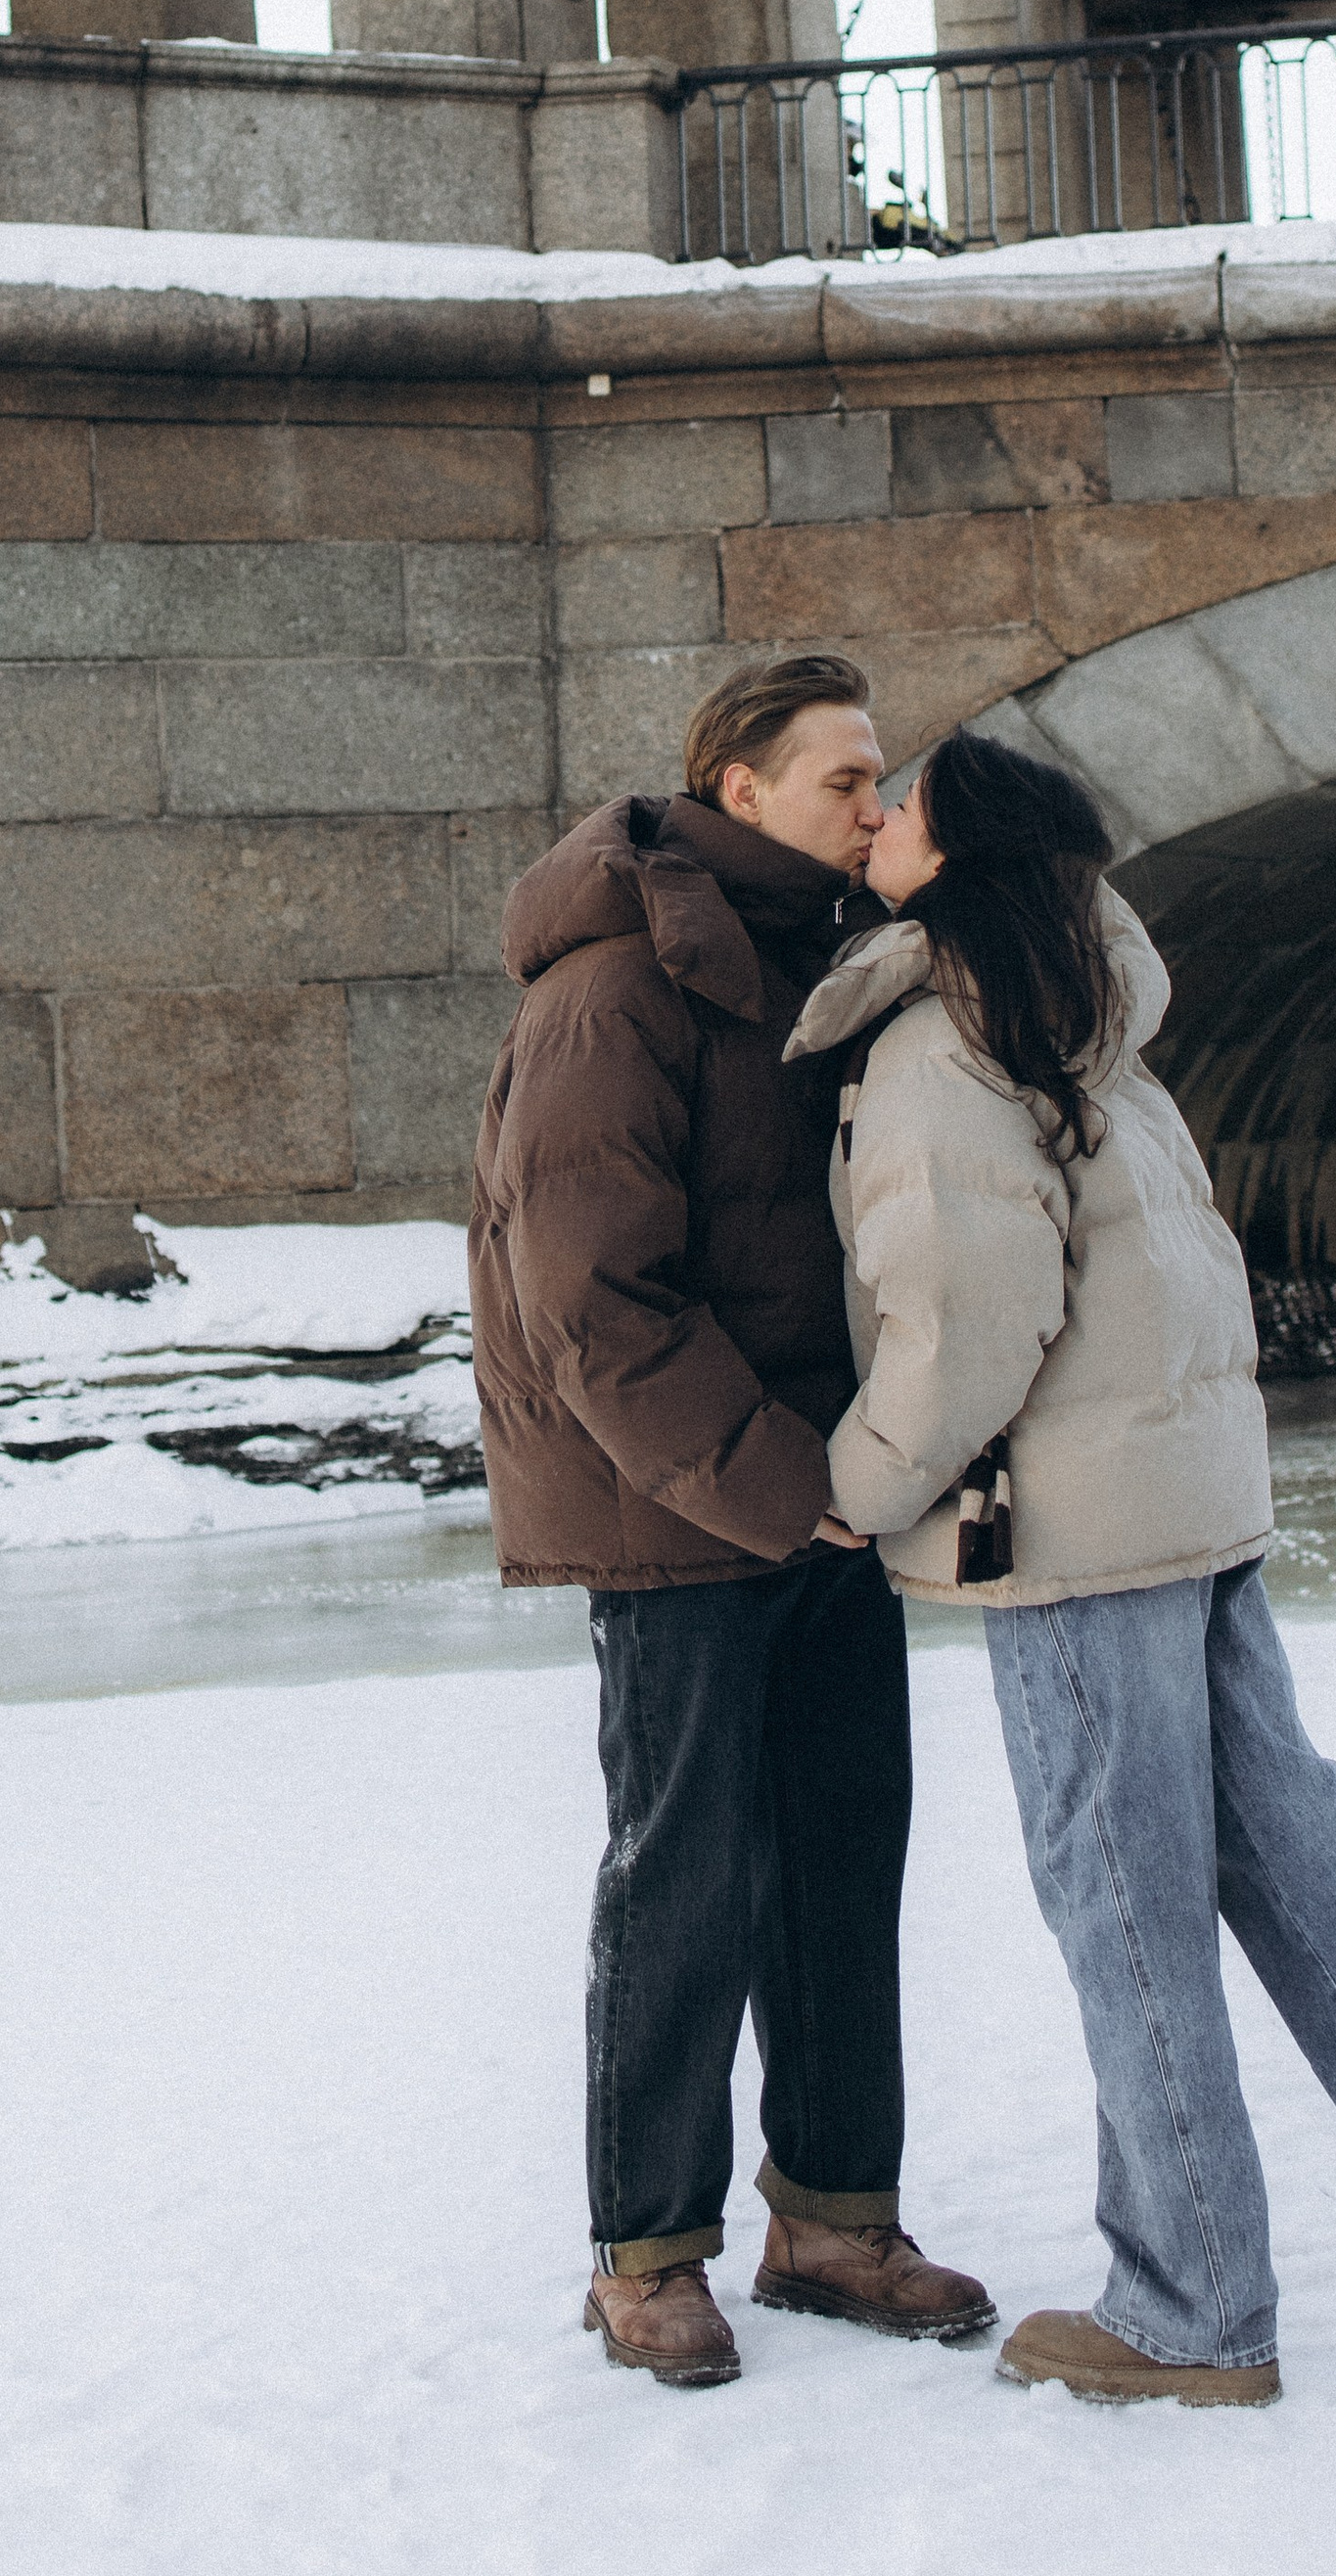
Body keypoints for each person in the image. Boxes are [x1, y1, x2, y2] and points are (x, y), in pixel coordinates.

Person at [789, 724, 1336, 2408]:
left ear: (962, 864)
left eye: (908, 807)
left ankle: (1187, 2307)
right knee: (1306, 1860)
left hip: (1071, 1539)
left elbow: (966, 1324)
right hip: (1191, 1509)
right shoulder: (1099, 1030)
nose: (878, 818)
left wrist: (855, 1488)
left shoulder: (941, 1050)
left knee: (1126, 1909)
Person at [469, 654, 994, 2390]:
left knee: (846, 1855)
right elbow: (592, 1301)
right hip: (684, 1514)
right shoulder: (612, 991)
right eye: (847, 776)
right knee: (684, 1877)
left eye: (879, 772)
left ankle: (836, 2218)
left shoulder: (831, 967)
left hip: (826, 1505)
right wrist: (791, 1490)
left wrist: (866, 1479)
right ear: (739, 789)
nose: (877, 800)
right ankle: (648, 2251)